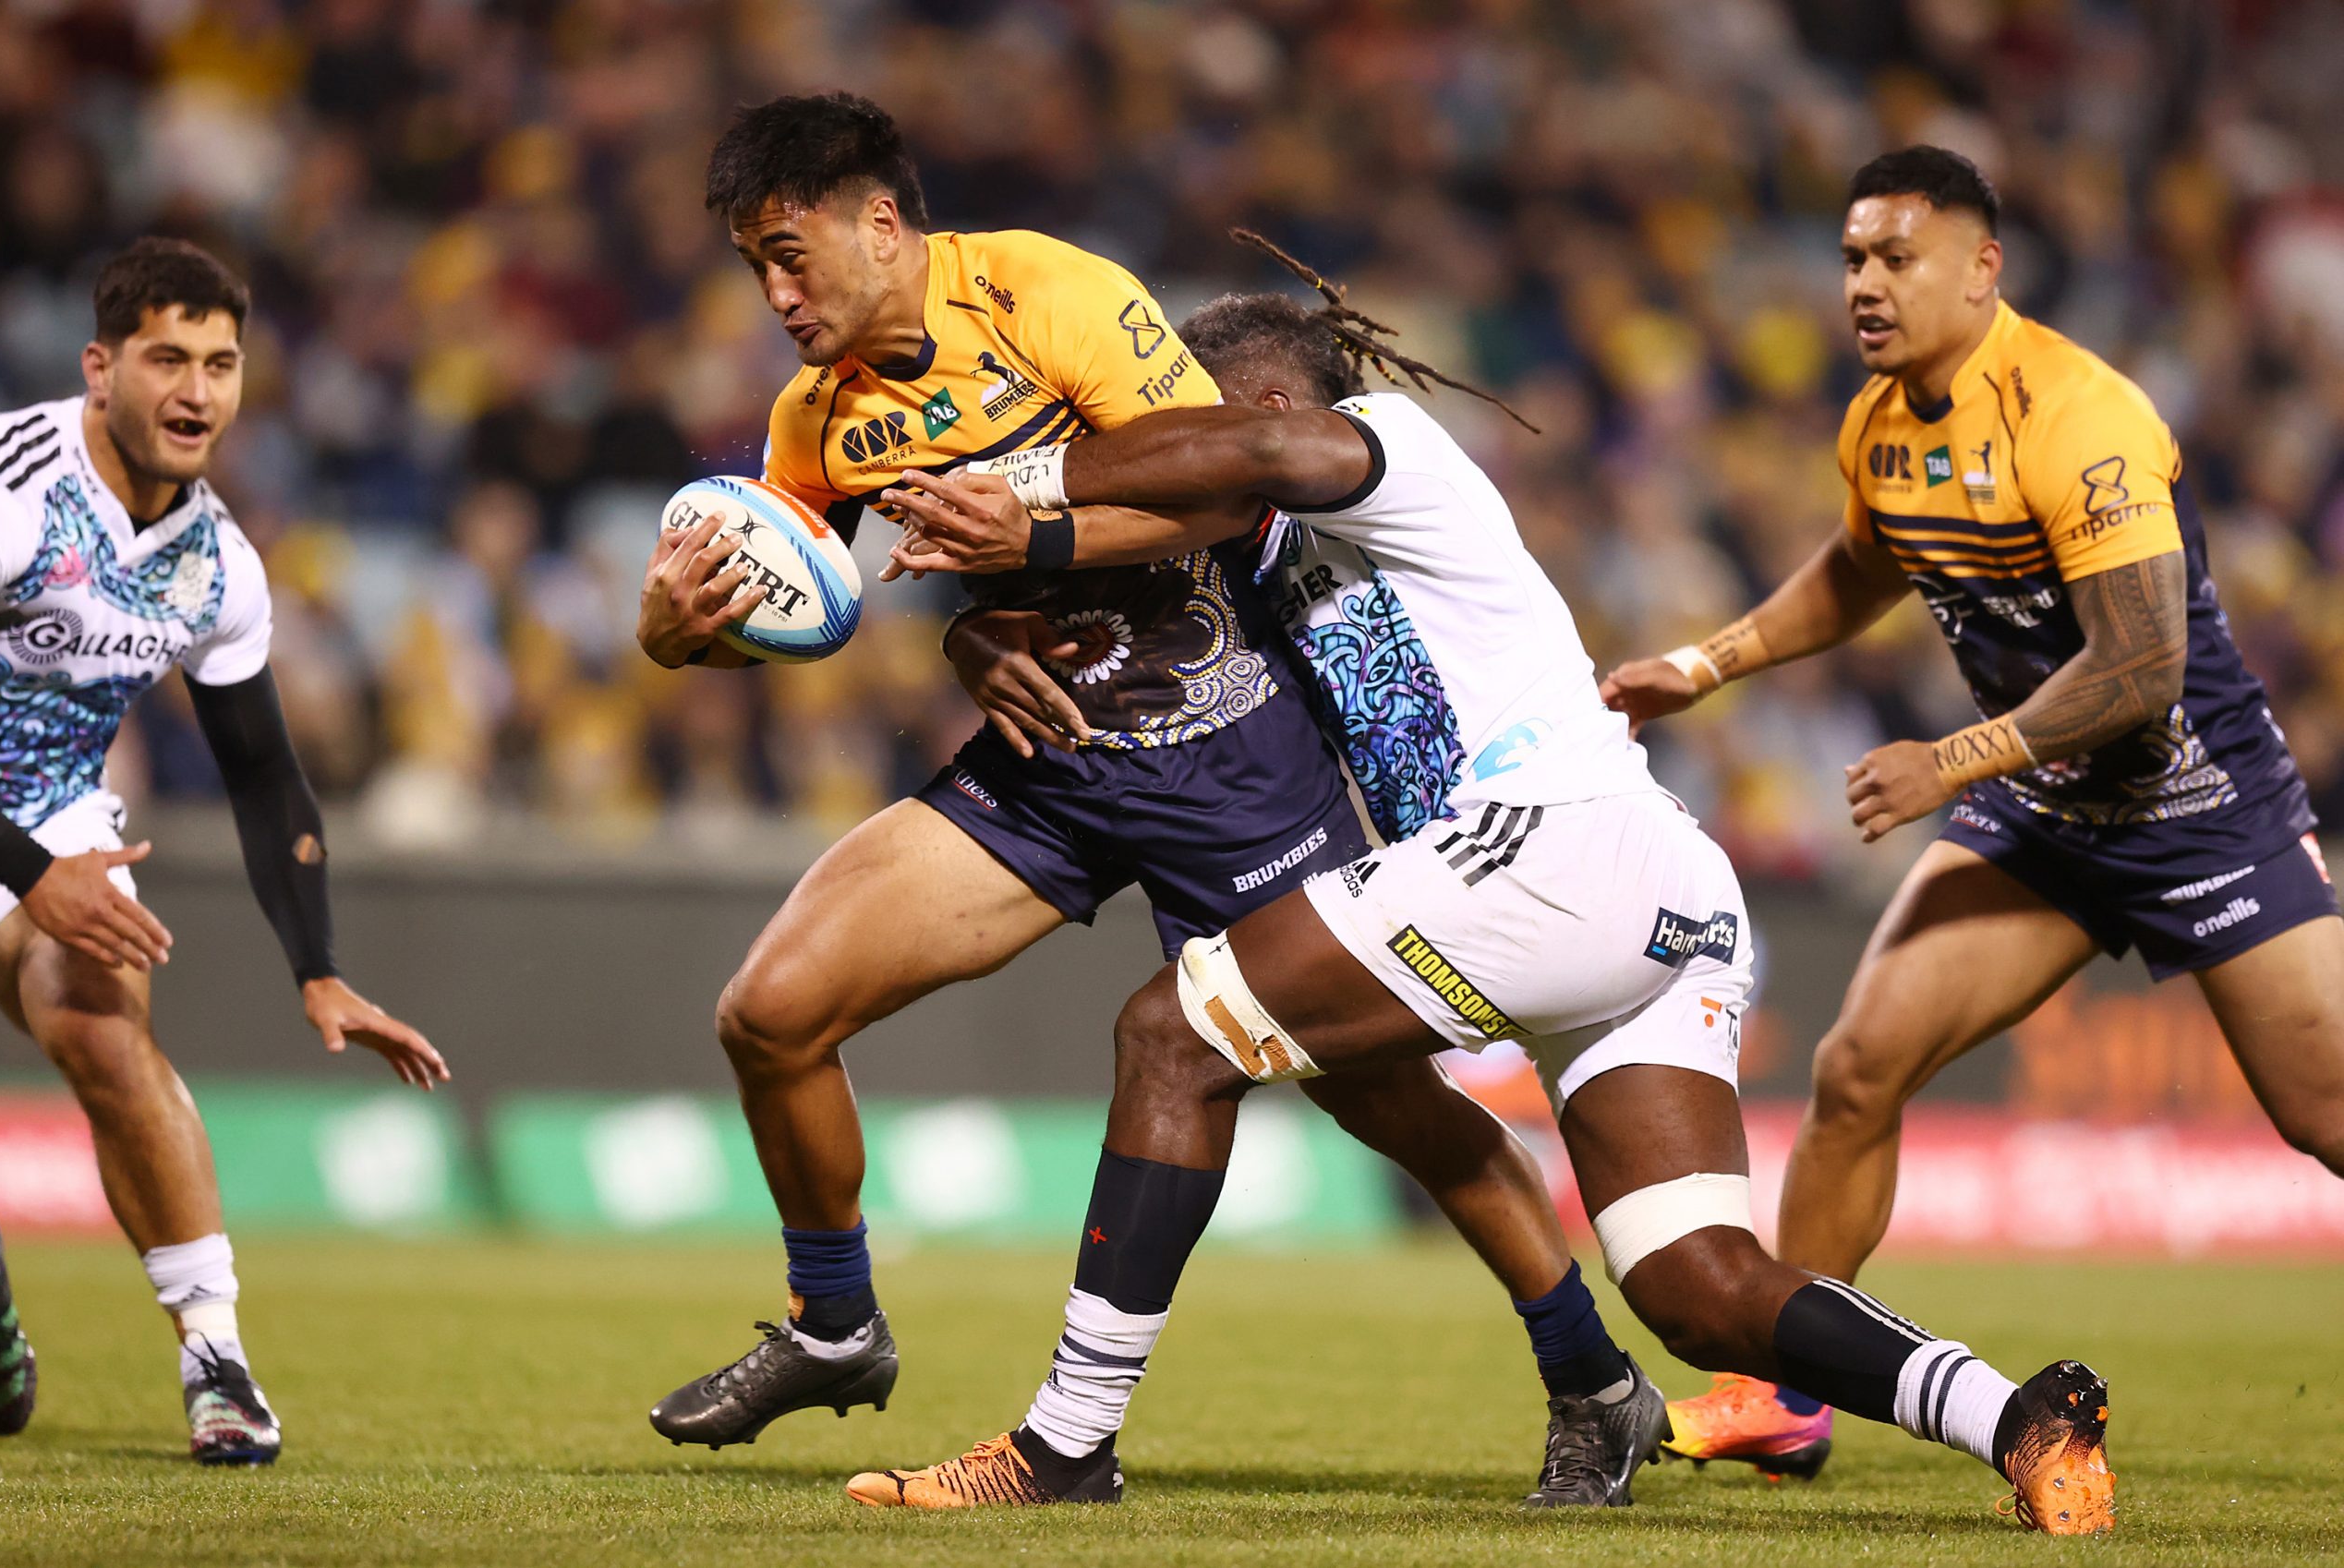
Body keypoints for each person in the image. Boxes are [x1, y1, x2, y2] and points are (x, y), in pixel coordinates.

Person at [847, 237, 2115, 1535]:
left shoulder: (1380, 441)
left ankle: (1064, 1443)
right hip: (1650, 887)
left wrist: (1023, 472)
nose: (1160, 437)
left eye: (1183, 416)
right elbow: (1113, 579)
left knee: (1171, 1035)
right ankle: (2026, 1419)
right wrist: (977, 617)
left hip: (1545, 844)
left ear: (1270, 410)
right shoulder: (1264, 548)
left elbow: (1254, 463)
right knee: (1697, 1285)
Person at [635, 95, 1637, 1493]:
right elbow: (793, 598)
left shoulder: (1053, 294)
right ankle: (836, 1321)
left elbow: (1223, 495)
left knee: (1385, 1101)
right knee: (771, 1012)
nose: (776, 293)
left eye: (791, 253)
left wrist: (1025, 536)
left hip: (1229, 756)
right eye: (755, 266)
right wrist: (679, 628)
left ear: (880, 222)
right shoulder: (816, 422)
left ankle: (1593, 1370)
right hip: (1045, 770)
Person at [1600, 145, 2344, 1480]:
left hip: (2196, 803)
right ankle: (1785, 1390)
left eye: (1897, 258)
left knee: (2327, 1114)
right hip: (2045, 813)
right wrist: (1704, 665)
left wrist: (1950, 761)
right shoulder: (1879, 422)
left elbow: (2139, 666)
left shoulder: (2081, 413)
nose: (1866, 286)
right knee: (1855, 1068)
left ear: (1982, 266)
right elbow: (1854, 570)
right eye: (1851, 259)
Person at [0, 237, 446, 1465]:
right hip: (28, 845)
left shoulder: (218, 562)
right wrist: (36, 876)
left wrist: (318, 964)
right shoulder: (6, 489)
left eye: (223, 363)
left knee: (101, 1008)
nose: (198, 391)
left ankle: (215, 1356)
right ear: (99, 368)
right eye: (167, 358)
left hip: (44, 813)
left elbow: (261, 771)